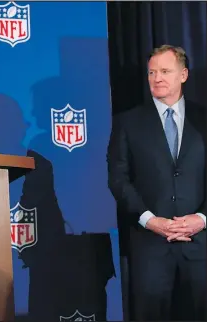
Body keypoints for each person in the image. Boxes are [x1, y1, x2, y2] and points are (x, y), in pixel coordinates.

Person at [107, 44, 206, 321]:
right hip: (149, 247)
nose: (157, 78)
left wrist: (201, 218)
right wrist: (150, 220)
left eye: (165, 71)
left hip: (200, 245)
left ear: (183, 75)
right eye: (152, 72)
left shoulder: (204, 121)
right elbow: (118, 179)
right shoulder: (127, 123)